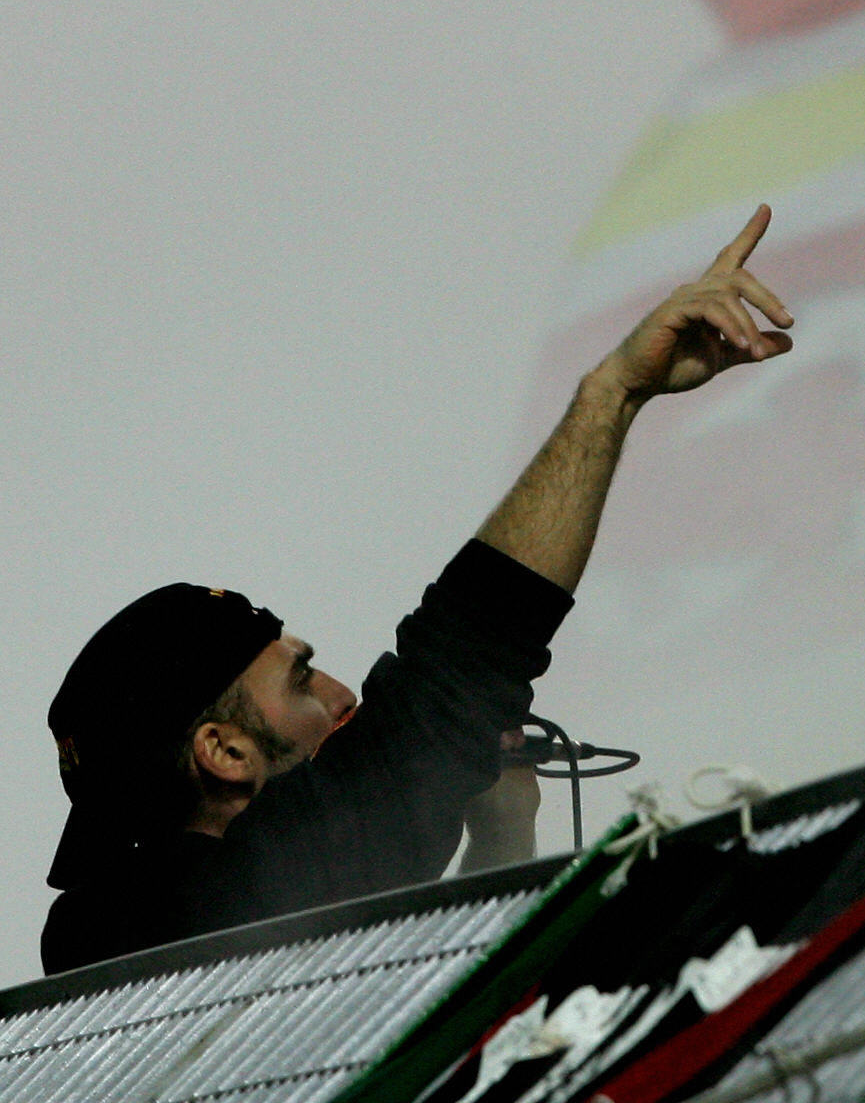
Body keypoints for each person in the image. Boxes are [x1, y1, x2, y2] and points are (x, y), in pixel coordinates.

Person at [40, 206, 794, 976]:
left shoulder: (108, 936)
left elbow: (425, 1016)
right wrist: (614, 394)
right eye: (300, 679)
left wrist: (499, 845)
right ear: (225, 751)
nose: (341, 696)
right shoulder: (209, 905)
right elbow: (459, 665)